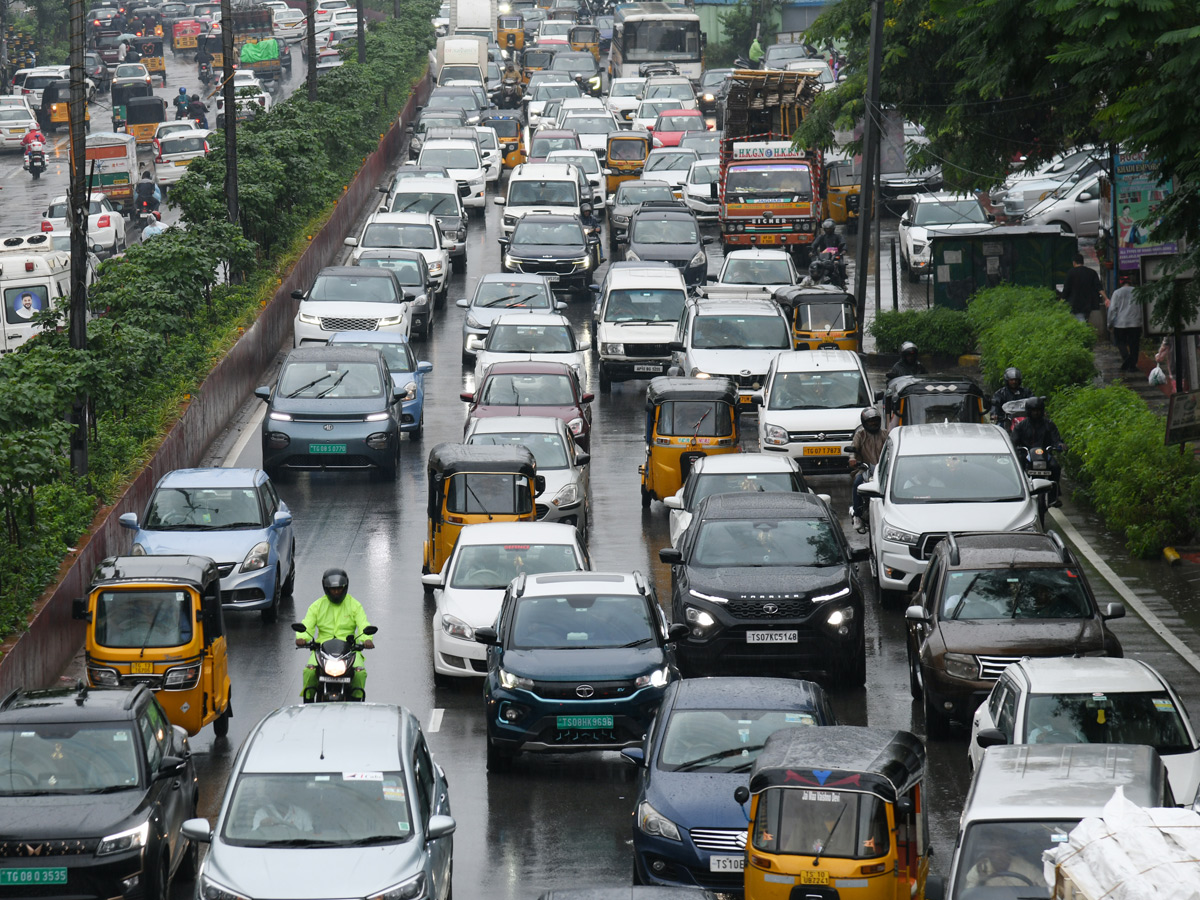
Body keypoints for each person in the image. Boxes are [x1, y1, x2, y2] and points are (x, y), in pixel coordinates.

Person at [295, 568, 373, 701]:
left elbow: (363, 624)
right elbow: (307, 624)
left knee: (360, 673)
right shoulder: (317, 606)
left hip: (349, 650)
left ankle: (356, 704)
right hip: (322, 650)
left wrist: (367, 639)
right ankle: (308, 704)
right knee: (309, 671)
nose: (336, 592)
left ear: (345, 587)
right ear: (326, 589)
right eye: (333, 589)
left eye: (339, 589)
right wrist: (302, 637)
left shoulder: (355, 605)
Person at [1011, 396, 1063, 504]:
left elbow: (1056, 439)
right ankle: (1017, 491)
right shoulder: (1021, 426)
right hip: (1026, 454)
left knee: (1055, 467)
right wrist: (1014, 447)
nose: (1036, 413)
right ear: (1028, 411)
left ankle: (1054, 495)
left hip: (1045, 454)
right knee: (1017, 467)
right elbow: (1013, 440)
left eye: (1038, 410)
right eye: (1033, 410)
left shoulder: (1049, 424)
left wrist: (1060, 445)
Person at [849, 408, 885, 532]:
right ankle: (857, 514)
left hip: (884, 469)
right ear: (864, 422)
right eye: (870, 421)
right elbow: (853, 448)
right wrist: (852, 459)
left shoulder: (885, 434)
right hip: (865, 469)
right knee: (857, 483)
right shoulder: (860, 435)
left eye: (875, 421)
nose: (873, 423)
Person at [964, 833, 1044, 889]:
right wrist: (981, 882)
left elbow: (1044, 890)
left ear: (1009, 852)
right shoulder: (980, 869)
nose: (998, 856)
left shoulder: (1028, 870)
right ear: (988, 854)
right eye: (994, 851)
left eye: (1002, 851)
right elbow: (969, 895)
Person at [1107, 275, 1142, 372]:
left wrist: (1109, 323)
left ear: (1120, 283)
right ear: (1130, 282)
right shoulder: (1137, 291)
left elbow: (1112, 309)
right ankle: (1132, 365)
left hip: (1120, 323)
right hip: (1135, 323)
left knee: (1120, 342)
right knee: (1134, 345)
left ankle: (1126, 358)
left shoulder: (1117, 292)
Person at [1060, 253, 1106, 322]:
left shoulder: (1071, 273)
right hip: (1089, 303)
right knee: (1085, 319)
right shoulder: (1092, 272)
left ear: (1074, 262)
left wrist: (1061, 301)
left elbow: (1066, 289)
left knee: (1080, 321)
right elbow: (1099, 287)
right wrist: (1106, 298)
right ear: (1083, 262)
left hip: (1075, 303)